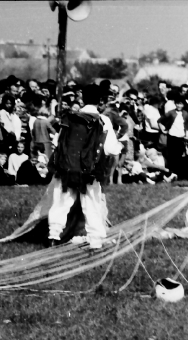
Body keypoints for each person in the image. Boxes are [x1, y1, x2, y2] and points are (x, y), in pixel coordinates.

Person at [47, 84, 122, 249]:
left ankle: (53, 235)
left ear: (82, 98)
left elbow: (56, 142)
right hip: (90, 169)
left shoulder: (70, 118)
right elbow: (111, 149)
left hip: (67, 167)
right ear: (101, 100)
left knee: (61, 202)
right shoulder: (103, 120)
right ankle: (95, 238)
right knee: (91, 203)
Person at [158, 95, 188, 179]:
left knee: (180, 157)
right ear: (175, 104)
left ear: (183, 104)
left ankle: (178, 174)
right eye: (177, 104)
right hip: (172, 136)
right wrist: (163, 129)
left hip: (181, 137)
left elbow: (186, 125)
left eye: (181, 104)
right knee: (172, 156)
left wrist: (187, 134)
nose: (179, 106)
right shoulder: (171, 112)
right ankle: (171, 173)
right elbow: (160, 120)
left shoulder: (185, 113)